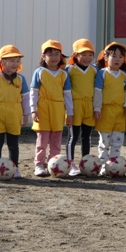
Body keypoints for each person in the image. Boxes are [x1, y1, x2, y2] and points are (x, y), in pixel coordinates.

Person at [0, 45, 31, 179]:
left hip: (14, 113)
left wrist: (26, 114)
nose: (15, 64)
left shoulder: (21, 79)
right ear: (3, 62)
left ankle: (15, 169)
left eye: (17, 61)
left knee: (13, 144)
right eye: (11, 61)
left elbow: (25, 97)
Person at [30, 40, 74, 176]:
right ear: (43, 56)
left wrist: (70, 113)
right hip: (43, 108)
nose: (54, 57)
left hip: (58, 109)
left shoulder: (63, 74)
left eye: (57, 54)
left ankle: (53, 164)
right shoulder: (39, 72)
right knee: (42, 140)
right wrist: (33, 109)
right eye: (50, 54)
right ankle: (39, 164)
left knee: (56, 140)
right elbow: (34, 92)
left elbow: (67, 95)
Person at [93, 42, 126, 169]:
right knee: (105, 141)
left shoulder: (124, 75)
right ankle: (103, 166)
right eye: (114, 56)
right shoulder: (102, 73)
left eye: (120, 56)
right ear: (106, 57)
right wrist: (97, 108)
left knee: (117, 141)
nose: (117, 59)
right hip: (106, 111)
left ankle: (114, 166)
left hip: (119, 112)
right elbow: (98, 91)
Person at [65, 38, 97, 176]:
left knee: (87, 136)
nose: (87, 58)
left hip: (89, 105)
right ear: (75, 55)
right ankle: (70, 163)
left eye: (90, 54)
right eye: (83, 54)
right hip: (75, 105)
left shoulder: (94, 70)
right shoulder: (69, 70)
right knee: (73, 136)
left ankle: (85, 162)